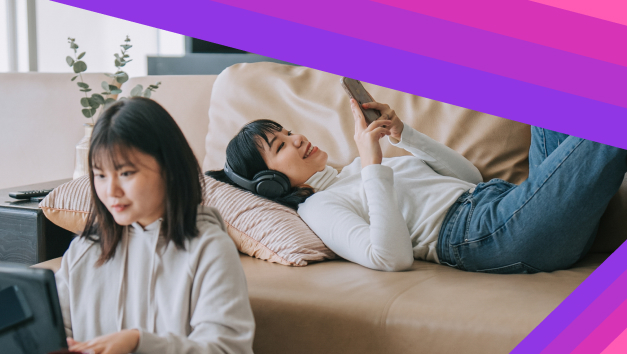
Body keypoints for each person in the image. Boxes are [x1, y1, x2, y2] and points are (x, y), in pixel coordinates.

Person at [207, 98, 627, 274]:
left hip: (506, 201)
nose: (297, 138)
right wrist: (373, 162)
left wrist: (402, 135)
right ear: (270, 183)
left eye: (288, 131)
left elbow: (470, 179)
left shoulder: (359, 168)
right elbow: (389, 258)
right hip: (494, 236)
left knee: (556, 92)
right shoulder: (320, 208)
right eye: (281, 145)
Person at [55, 97, 255, 354]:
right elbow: (55, 331)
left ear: (168, 167)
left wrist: (139, 342)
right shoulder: (83, 249)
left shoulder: (209, 249)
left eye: (126, 173)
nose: (111, 190)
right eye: (100, 175)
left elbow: (227, 349)